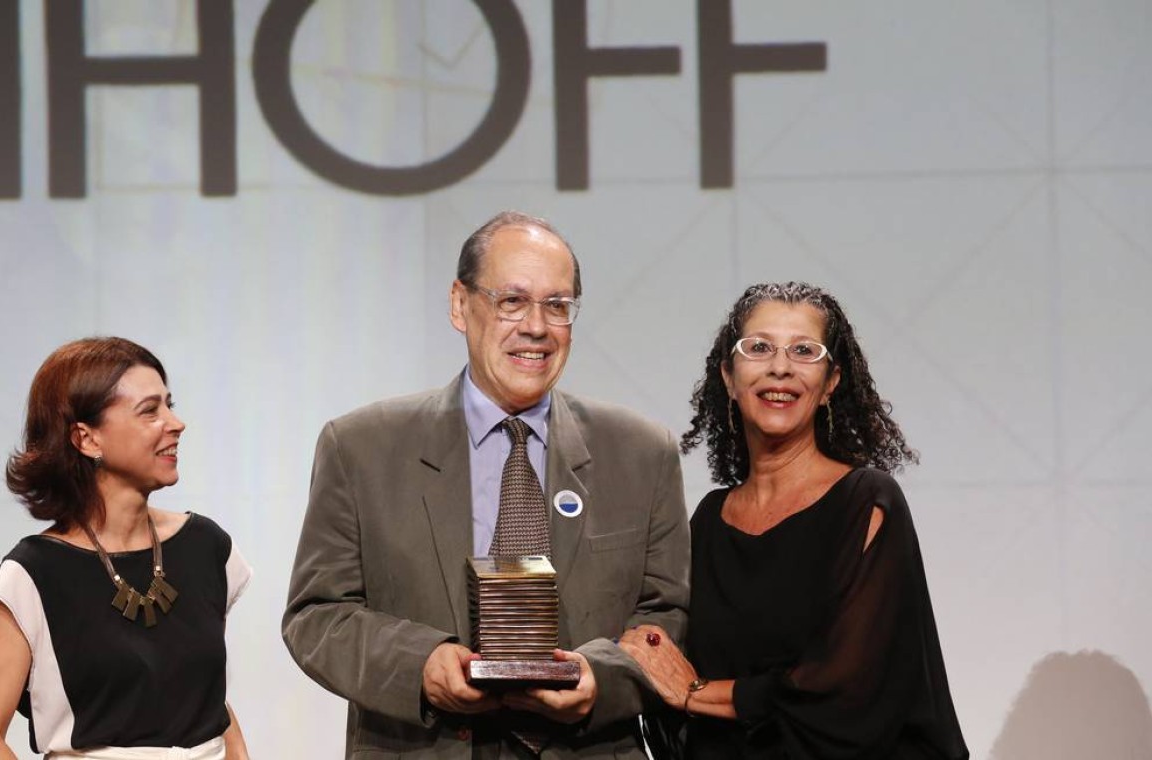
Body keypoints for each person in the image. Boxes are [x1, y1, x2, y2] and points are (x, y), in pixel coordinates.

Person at [283, 210, 690, 758]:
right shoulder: (360, 447)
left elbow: (666, 613)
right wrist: (422, 664)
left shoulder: (642, 452)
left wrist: (601, 678)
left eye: (558, 305)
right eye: (512, 301)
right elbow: (317, 615)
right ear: (460, 304)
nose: (537, 328)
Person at [620, 282, 968, 759]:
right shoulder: (708, 520)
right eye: (759, 348)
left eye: (804, 350)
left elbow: (843, 693)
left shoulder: (867, 501)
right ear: (728, 376)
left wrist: (697, 692)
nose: (780, 366)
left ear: (830, 383)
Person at [0, 337, 252, 760]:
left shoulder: (206, 547)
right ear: (86, 439)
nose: (176, 423)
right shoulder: (34, 574)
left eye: (170, 404)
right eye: (150, 410)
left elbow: (207, 700)